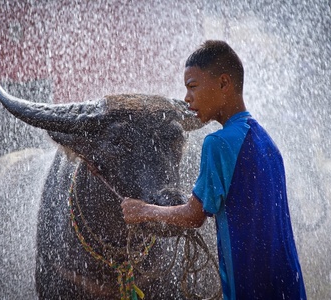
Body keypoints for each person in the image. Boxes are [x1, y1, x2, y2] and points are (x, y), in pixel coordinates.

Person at [121, 40, 306, 300]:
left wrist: (142, 210)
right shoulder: (266, 141)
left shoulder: (217, 144)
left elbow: (193, 216)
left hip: (248, 286)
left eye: (193, 86)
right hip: (287, 285)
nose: (187, 98)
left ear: (223, 84)